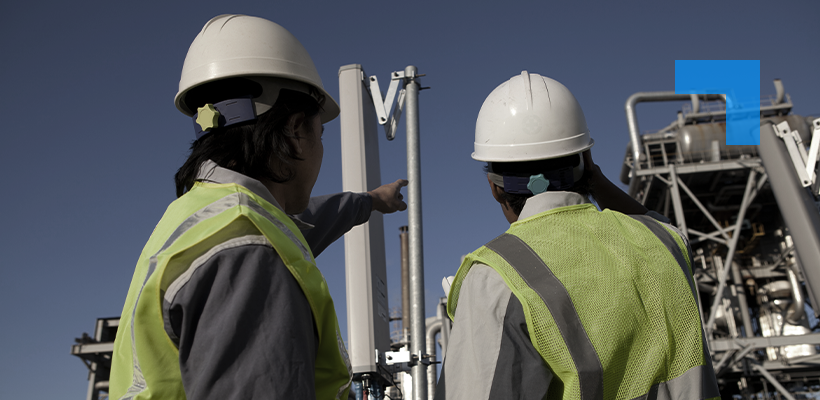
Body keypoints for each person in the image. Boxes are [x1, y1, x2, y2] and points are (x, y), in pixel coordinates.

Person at [109, 15, 407, 400]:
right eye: (320, 134)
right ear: (297, 131)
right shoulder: (248, 251)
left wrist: (369, 202)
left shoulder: (203, 217)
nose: (320, 150)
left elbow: (299, 225)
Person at [435, 72, 719, 400]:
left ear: (495, 188)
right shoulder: (663, 242)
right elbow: (652, 221)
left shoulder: (494, 278)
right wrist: (594, 179)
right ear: (586, 160)